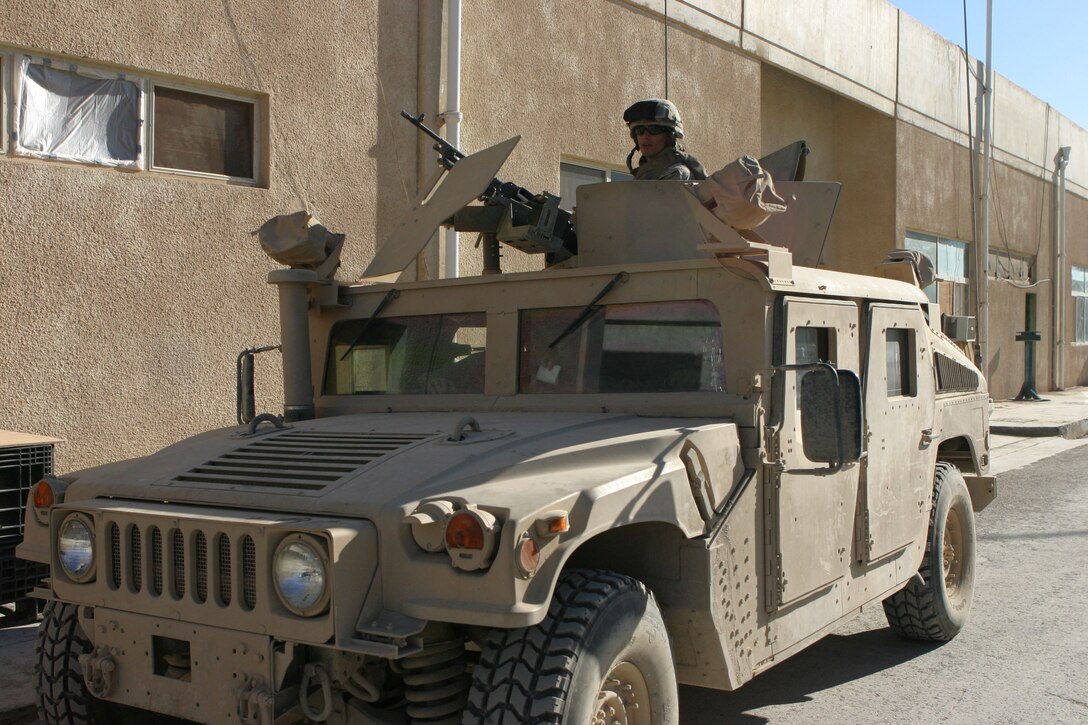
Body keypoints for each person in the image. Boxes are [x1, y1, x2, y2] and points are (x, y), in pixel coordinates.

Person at [623, 98, 707, 181]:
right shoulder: (646, 174)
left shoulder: (676, 174)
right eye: (639, 130)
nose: (645, 136)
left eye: (654, 129)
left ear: (669, 136)